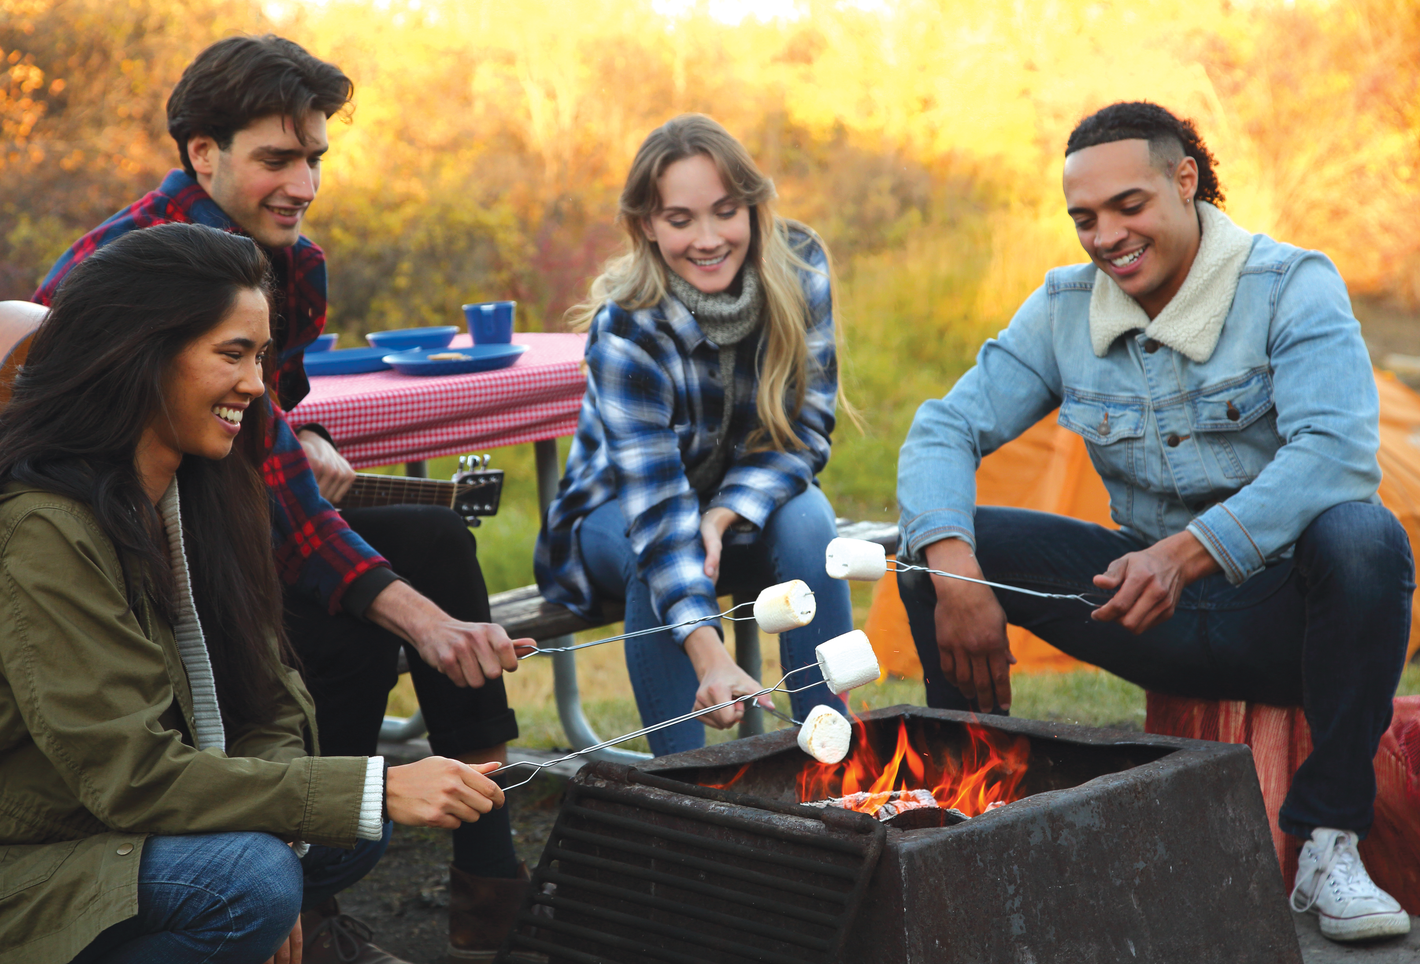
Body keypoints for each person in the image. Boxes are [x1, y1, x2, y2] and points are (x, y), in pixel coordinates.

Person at [33, 36, 534, 960]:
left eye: (314, 159)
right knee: (337, 626)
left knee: (432, 541)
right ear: (203, 153)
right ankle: (302, 878)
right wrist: (422, 627)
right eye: (277, 159)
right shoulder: (130, 274)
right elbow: (273, 505)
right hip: (131, 562)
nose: (302, 184)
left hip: (220, 524)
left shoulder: (291, 263)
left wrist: (308, 433)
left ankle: (483, 853)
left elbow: (269, 422)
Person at [895, 101, 1412, 942]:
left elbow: (1336, 451)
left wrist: (1188, 553)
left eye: (1127, 206)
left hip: (1283, 620)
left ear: (1185, 180)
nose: (1105, 236)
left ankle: (1328, 840)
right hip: (1139, 609)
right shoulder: (1064, 308)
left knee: (1362, 534)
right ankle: (970, 822)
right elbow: (943, 427)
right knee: (928, 552)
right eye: (1084, 218)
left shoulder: (1290, 283)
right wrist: (955, 570)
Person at [0, 223, 508, 964]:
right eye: (232, 354)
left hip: (120, 829)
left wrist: (314, 831)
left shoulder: (201, 494)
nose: (257, 385)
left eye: (260, 356)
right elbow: (129, 776)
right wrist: (365, 793)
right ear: (140, 354)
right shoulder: (43, 527)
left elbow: (269, 699)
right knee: (251, 881)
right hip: (20, 855)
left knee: (333, 839)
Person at [535, 114, 855, 756]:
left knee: (811, 523)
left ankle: (832, 760)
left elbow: (807, 430)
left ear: (752, 207)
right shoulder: (627, 329)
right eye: (680, 219)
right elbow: (656, 514)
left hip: (741, 503)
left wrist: (726, 513)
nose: (707, 239)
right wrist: (709, 656)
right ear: (647, 226)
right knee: (648, 559)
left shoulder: (799, 265)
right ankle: (694, 793)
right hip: (617, 514)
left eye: (724, 211)